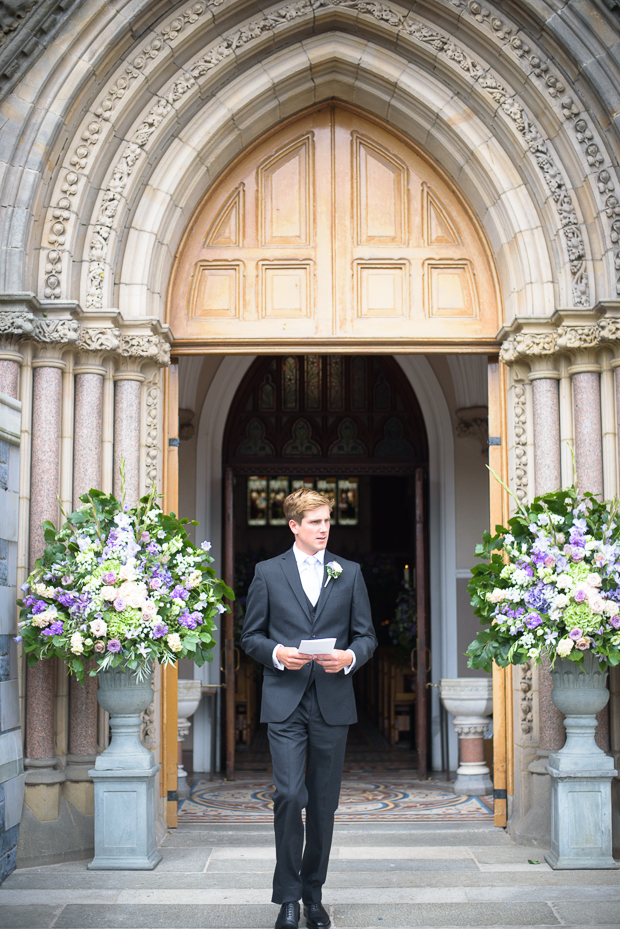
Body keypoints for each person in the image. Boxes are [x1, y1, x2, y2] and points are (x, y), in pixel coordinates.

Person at [240, 488, 377, 929]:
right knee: (289, 795)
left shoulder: (349, 572)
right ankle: (288, 899)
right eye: (315, 522)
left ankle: (314, 895)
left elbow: (367, 636)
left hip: (333, 702)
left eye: (327, 521)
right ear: (294, 525)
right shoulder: (267, 572)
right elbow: (250, 636)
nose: (324, 529)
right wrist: (278, 653)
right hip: (284, 702)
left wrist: (350, 658)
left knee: (322, 803)